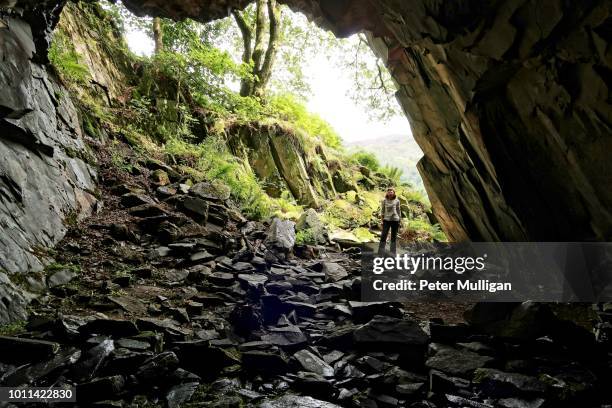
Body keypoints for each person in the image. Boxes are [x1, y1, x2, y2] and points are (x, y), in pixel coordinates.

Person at [378, 188, 401, 256]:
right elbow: (382, 211)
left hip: (395, 220)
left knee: (393, 237)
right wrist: (382, 220)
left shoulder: (397, 201)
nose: (390, 193)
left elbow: (398, 211)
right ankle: (380, 252)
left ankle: (392, 253)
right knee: (383, 236)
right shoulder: (384, 200)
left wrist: (400, 220)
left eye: (391, 192)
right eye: (389, 192)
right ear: (387, 193)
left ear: (394, 193)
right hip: (386, 220)